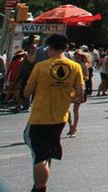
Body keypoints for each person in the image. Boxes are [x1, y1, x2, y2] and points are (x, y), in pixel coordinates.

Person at [23, 33, 84, 192]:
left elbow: (27, 91)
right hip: (60, 116)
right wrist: (66, 96)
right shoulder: (75, 67)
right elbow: (80, 93)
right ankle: (41, 183)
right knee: (47, 151)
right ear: (66, 48)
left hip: (40, 116)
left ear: (50, 48)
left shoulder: (41, 66)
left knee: (39, 155)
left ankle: (39, 187)